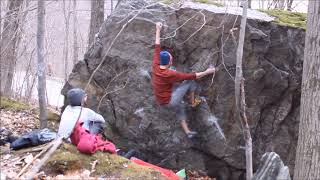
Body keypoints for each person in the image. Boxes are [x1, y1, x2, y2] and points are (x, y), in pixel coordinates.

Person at [152, 22, 216, 139]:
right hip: (170, 101)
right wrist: (208, 71)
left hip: (161, 101)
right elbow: (192, 76)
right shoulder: (170, 73)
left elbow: (157, 45)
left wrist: (158, 29)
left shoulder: (156, 65)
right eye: (171, 58)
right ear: (169, 62)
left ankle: (188, 132)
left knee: (180, 105)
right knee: (189, 82)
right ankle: (192, 102)